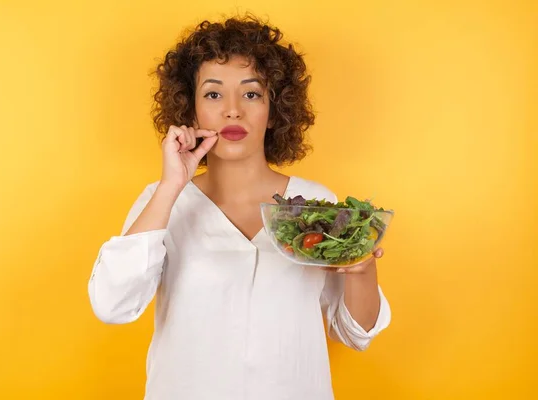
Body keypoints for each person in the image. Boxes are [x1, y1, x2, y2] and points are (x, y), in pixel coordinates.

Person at [88, 14, 391, 400]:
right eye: (213, 94)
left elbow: (355, 332)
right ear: (191, 109)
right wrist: (171, 186)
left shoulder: (318, 207)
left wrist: (362, 269)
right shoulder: (163, 201)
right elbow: (112, 305)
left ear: (274, 110)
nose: (233, 110)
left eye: (251, 94)